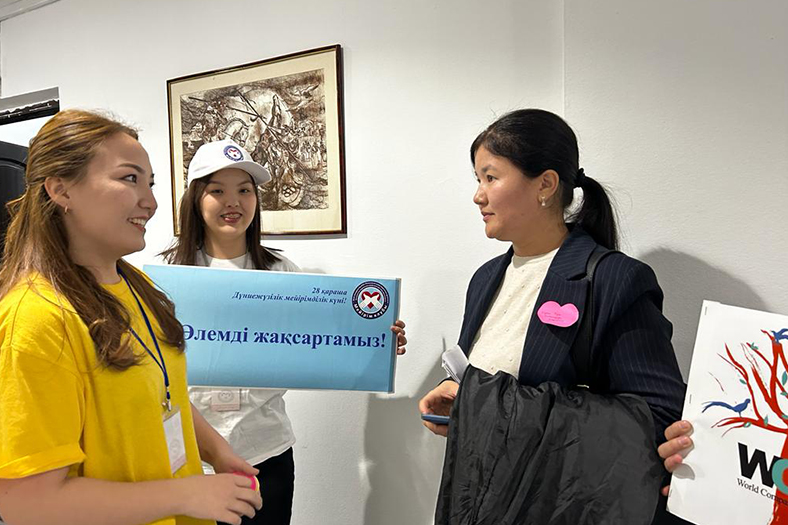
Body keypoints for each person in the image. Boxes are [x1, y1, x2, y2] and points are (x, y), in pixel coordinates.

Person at [418, 109, 686, 519]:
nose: (478, 196)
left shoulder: (614, 280)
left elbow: (658, 418)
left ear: (545, 184)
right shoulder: (485, 279)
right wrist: (457, 397)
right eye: (477, 179)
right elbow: (488, 381)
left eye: (491, 177)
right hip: (480, 505)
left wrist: (486, 404)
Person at [0, 110, 262, 525]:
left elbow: (163, 391)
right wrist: (184, 494)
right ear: (60, 189)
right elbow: (24, 504)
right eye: (129, 179)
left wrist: (216, 451)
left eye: (150, 183)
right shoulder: (36, 319)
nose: (151, 202)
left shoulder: (136, 285)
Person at [161, 138, 407, 525]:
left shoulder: (281, 271)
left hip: (266, 450)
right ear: (195, 199)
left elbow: (322, 343)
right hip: (190, 455)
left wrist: (376, 342)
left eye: (245, 191)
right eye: (217, 191)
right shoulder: (164, 276)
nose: (233, 202)